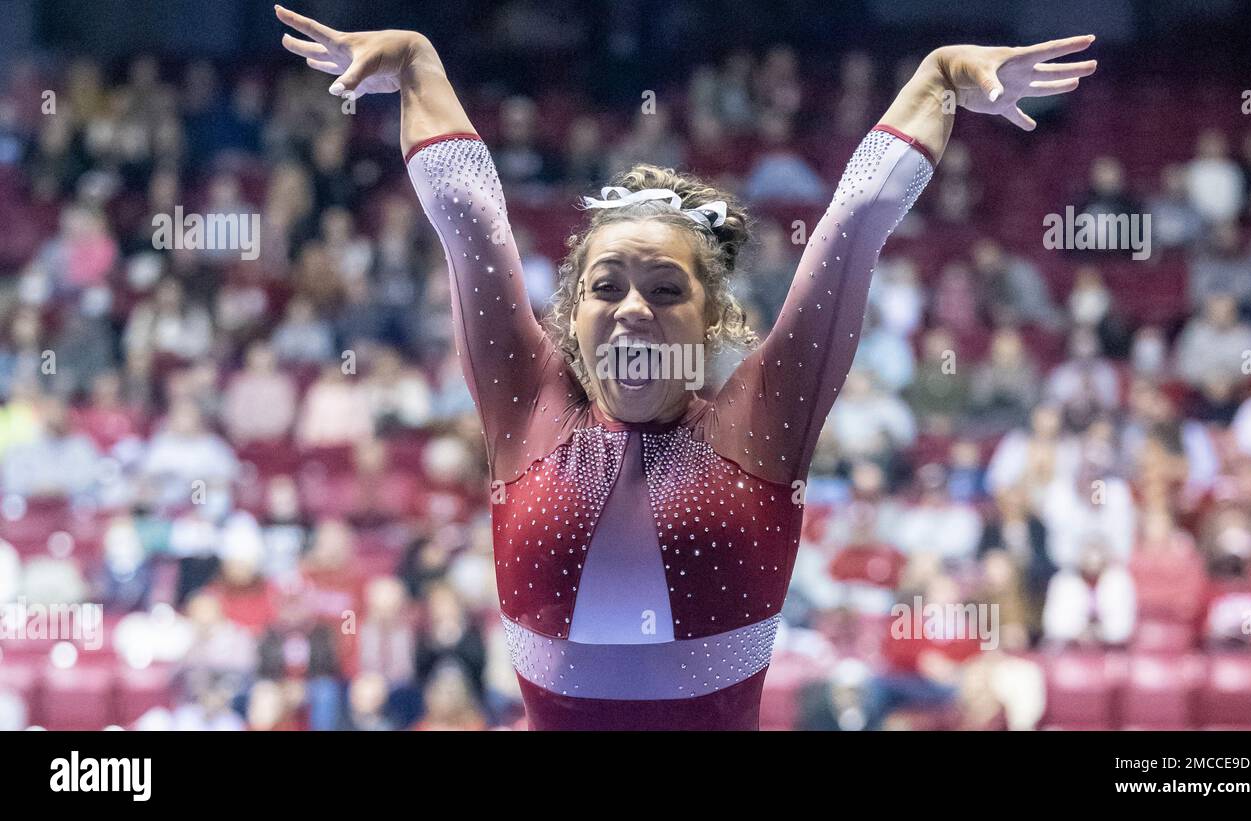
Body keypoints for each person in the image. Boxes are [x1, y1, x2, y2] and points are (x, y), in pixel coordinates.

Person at [276, 5, 1097, 730]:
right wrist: (418, 59)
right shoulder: (527, 404)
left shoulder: (762, 420)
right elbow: (469, 218)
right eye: (608, 285)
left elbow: (857, 221)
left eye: (666, 288)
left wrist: (941, 75)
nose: (634, 306)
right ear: (572, 315)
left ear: (712, 319)